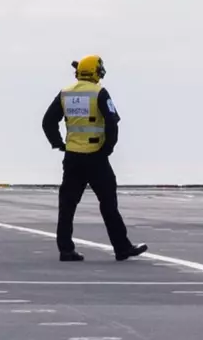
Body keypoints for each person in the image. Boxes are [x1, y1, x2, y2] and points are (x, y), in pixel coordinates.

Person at [42, 55, 149, 263]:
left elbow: (48, 122)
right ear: (95, 72)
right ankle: (122, 247)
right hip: (96, 157)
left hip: (72, 157)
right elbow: (112, 122)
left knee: (67, 205)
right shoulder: (99, 92)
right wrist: (107, 149)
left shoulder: (65, 93)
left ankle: (65, 249)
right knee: (108, 203)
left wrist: (59, 144)